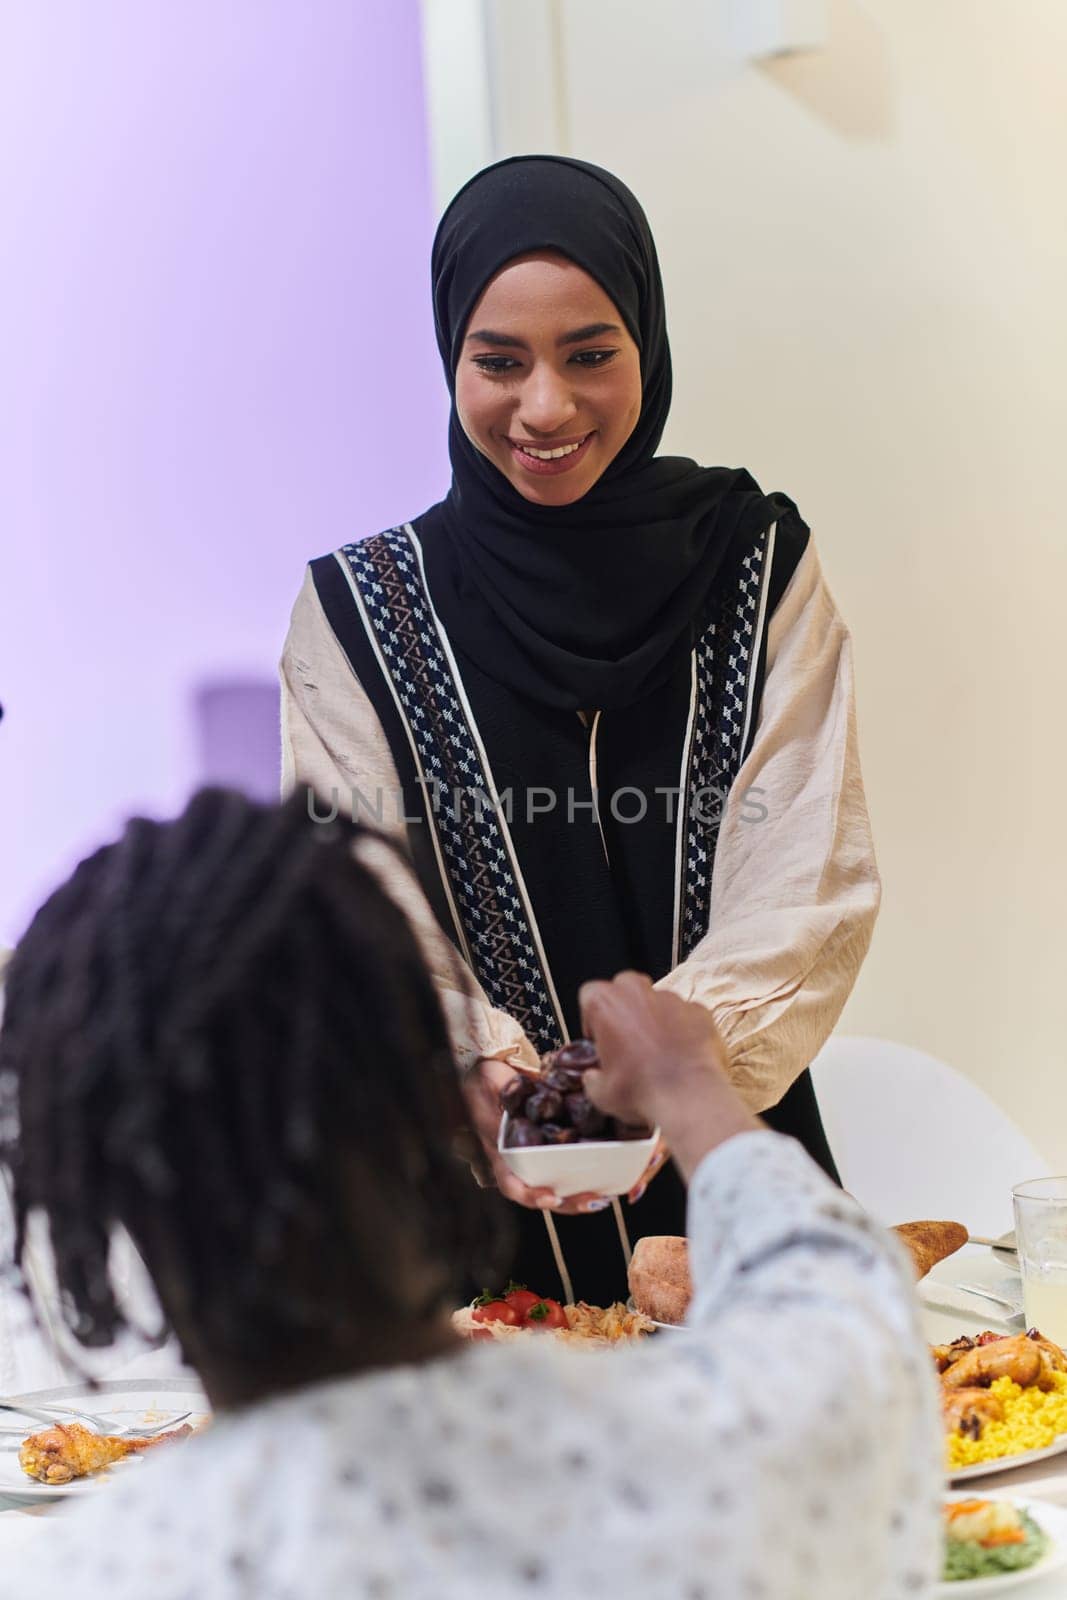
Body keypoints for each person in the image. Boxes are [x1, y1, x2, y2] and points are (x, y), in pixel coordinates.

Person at [2, 790, 938, 1597]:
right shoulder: (689, 1452)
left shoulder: (88, 1576)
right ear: (425, 1105)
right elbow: (850, 1318)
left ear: (94, 1207)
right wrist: (689, 1087)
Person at [280, 156, 881, 1306]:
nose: (544, 407)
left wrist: (676, 1076)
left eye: (589, 354)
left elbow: (807, 880)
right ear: (449, 357)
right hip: (470, 1237)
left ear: (644, 349)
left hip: (733, 1203)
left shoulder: (755, 567)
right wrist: (478, 1071)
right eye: (496, 362)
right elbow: (352, 906)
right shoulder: (356, 615)